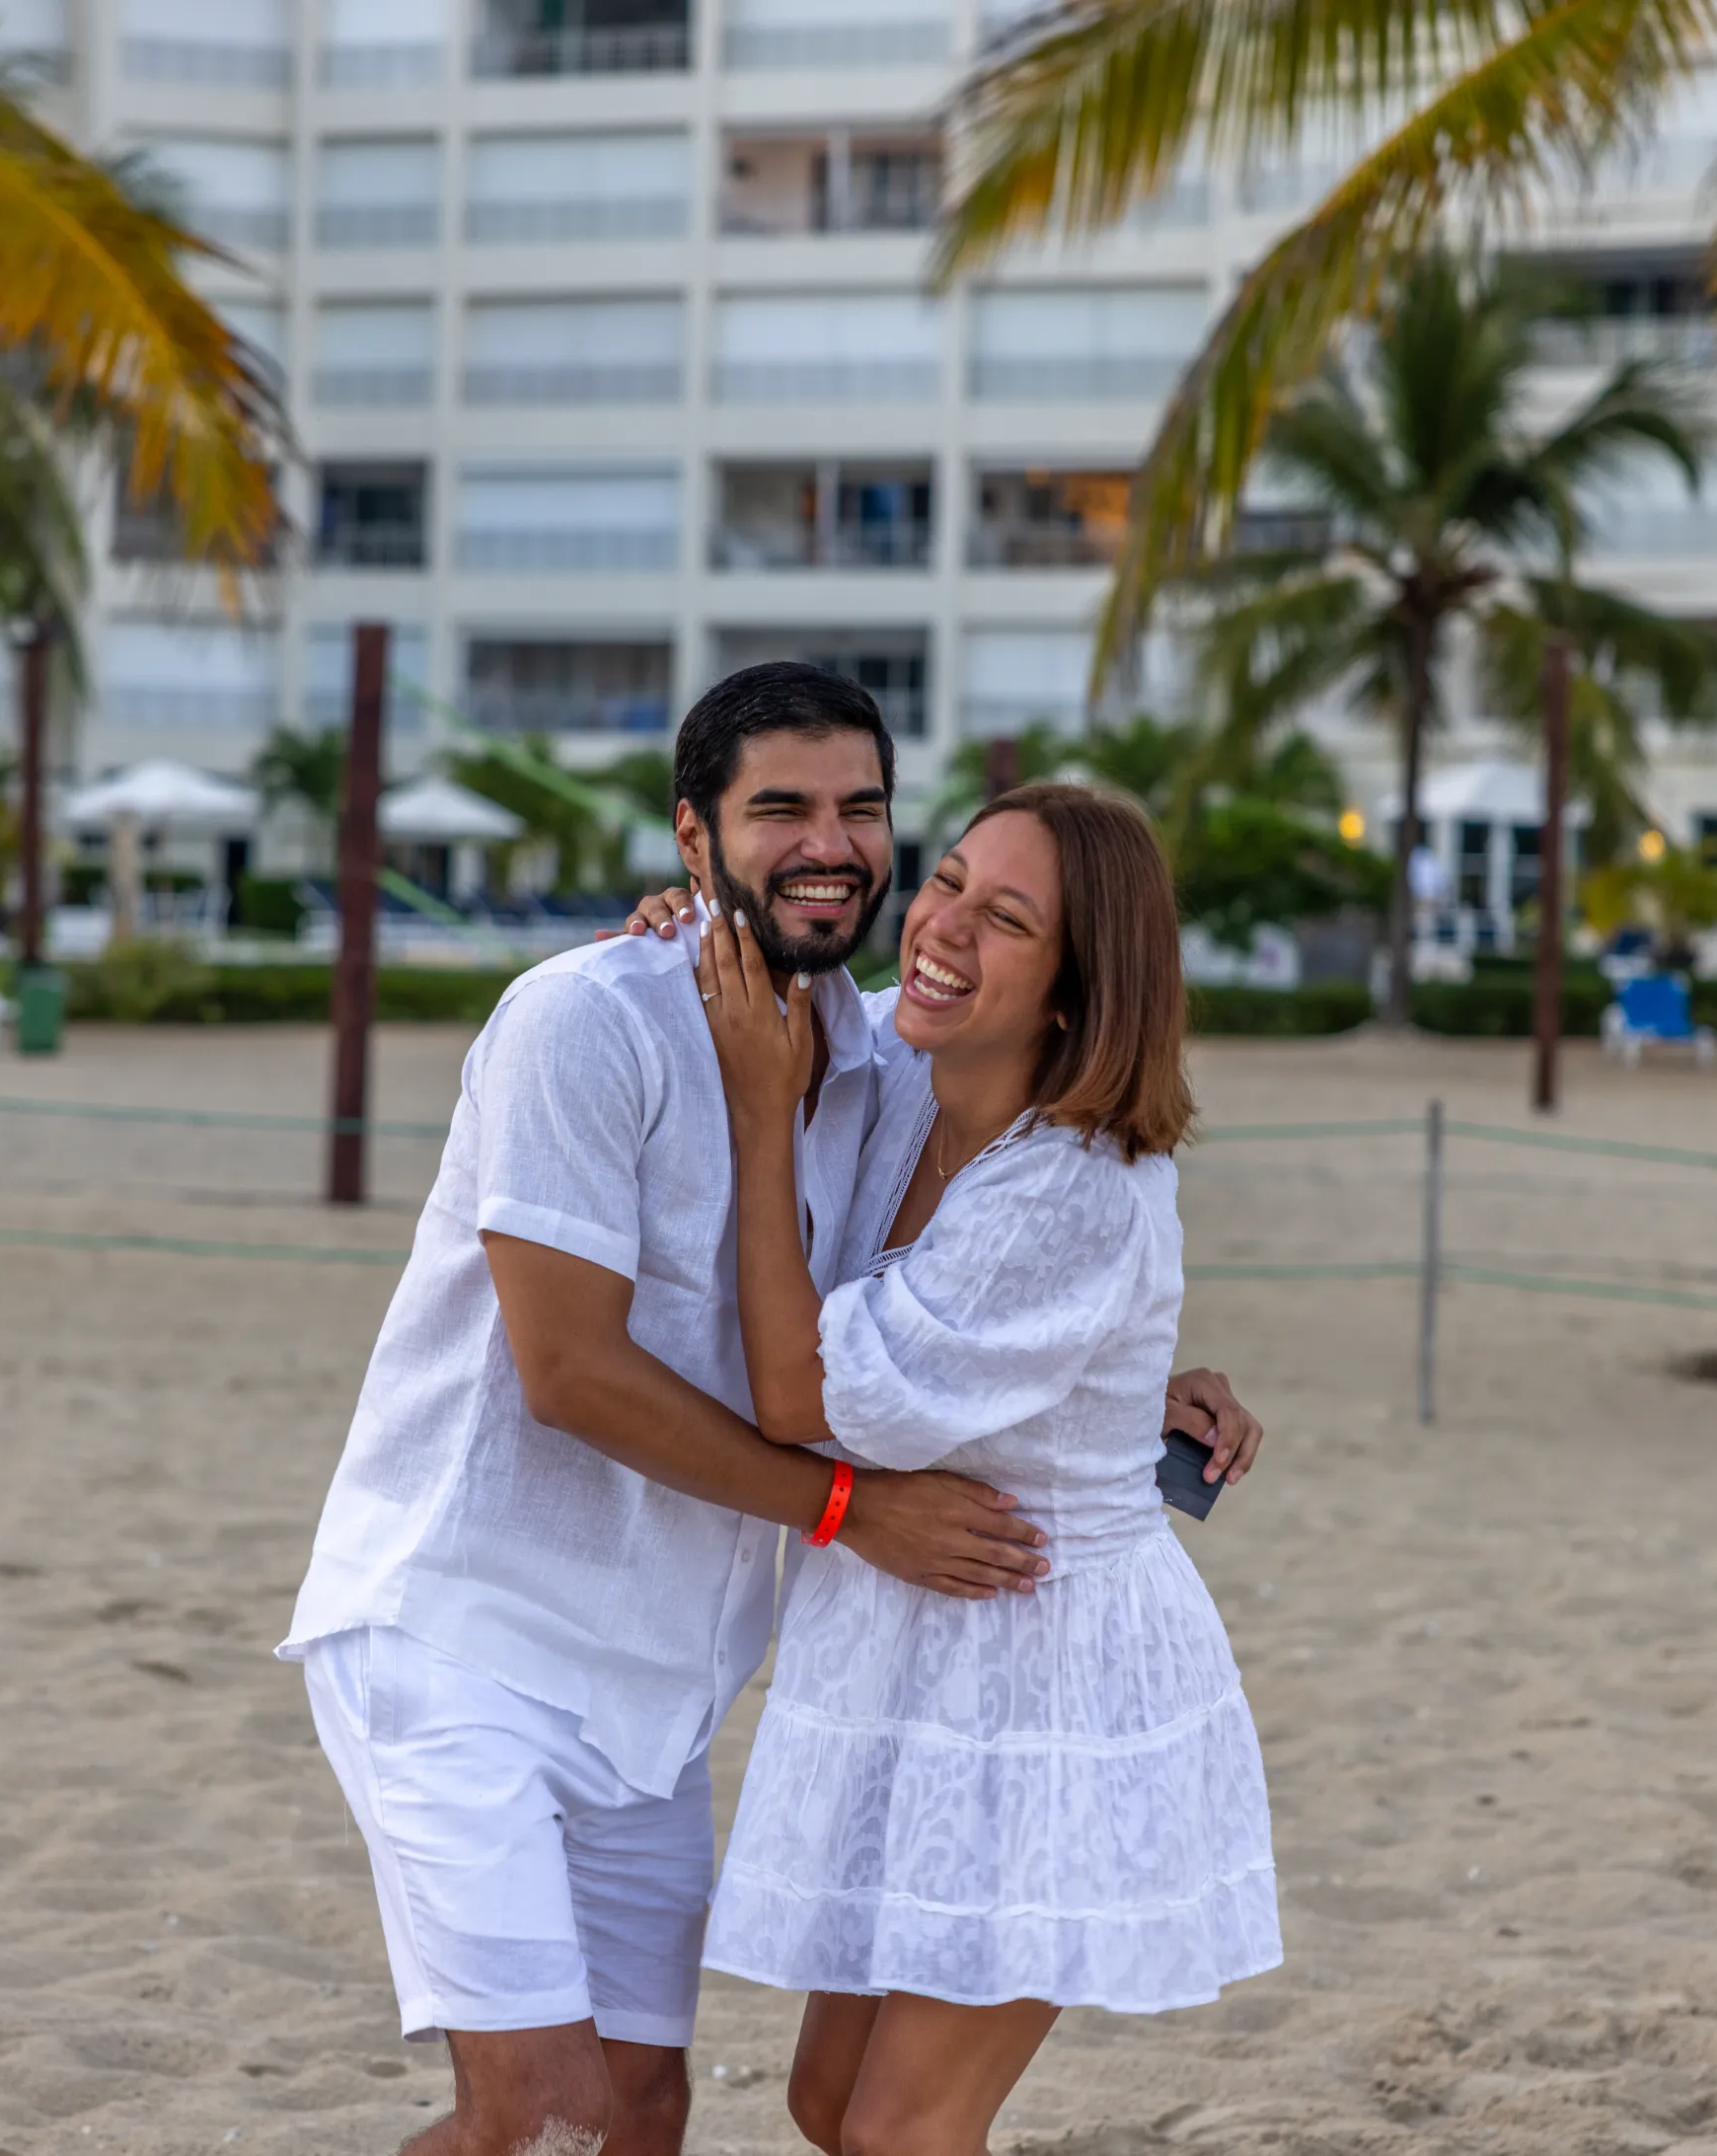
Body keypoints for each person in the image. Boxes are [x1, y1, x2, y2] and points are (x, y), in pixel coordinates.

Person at [279, 662, 1261, 2156]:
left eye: (862, 809)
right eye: (780, 809)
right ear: (693, 836)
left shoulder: (879, 1063)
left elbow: (996, 1263)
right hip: (466, 1631)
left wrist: (1128, 1378)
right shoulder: (596, 1022)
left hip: (691, 1680)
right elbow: (570, 1372)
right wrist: (852, 1508)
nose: (836, 848)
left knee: (652, 2111)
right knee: (552, 2118)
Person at [684, 781, 1282, 2156]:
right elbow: (761, 982)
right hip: (907, 1653)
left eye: (1006, 919)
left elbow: (802, 1397)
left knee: (901, 2128)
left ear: (1076, 992)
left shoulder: (1068, 1181)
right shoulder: (914, 1073)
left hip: (1044, 1666)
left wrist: (765, 1125)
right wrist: (689, 914)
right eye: (947, 880)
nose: (943, 927)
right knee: (828, 2103)